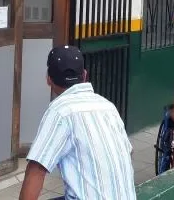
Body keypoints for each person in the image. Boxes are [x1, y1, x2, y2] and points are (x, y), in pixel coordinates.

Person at [19, 45, 136, 200]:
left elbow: (37, 168)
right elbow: (129, 152)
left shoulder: (61, 111)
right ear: (85, 75)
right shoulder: (108, 106)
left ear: (48, 79)